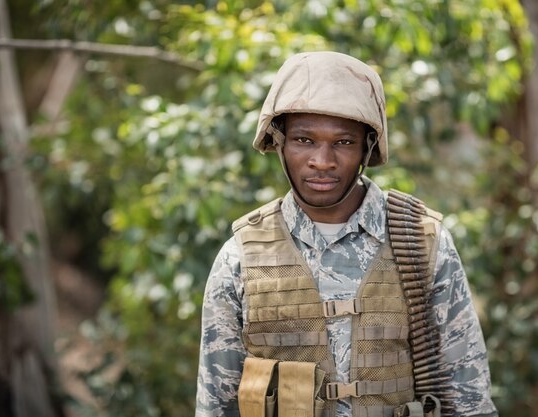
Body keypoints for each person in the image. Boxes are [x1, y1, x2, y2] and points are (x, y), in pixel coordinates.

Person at [195, 51, 497, 417]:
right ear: (280, 142)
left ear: (367, 148)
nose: (322, 161)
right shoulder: (241, 256)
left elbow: (469, 395)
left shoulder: (421, 241)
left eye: (343, 142)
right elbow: (216, 402)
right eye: (304, 140)